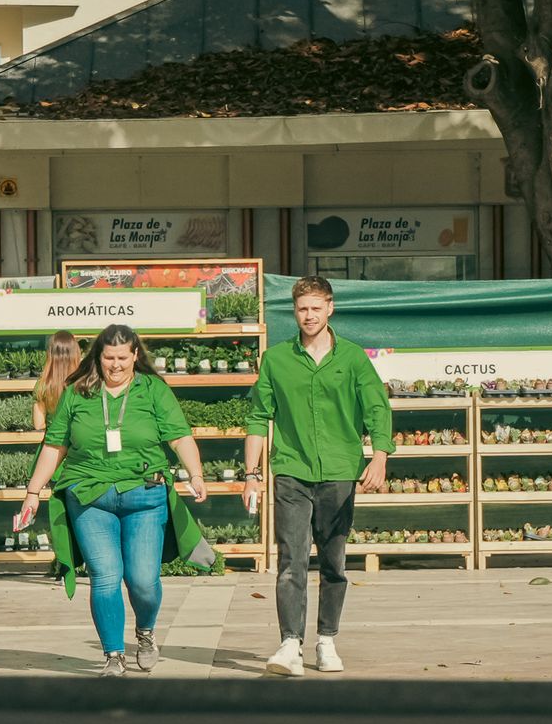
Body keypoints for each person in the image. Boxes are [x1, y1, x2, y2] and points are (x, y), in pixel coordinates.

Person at [20, 324, 214, 678]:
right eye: (108, 358)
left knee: (142, 579)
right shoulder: (77, 393)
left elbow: (180, 436)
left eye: (123, 358)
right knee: (105, 577)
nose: (116, 365)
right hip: (90, 496)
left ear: (135, 355)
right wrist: (33, 492)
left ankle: (145, 631)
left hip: (145, 495)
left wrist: (195, 474)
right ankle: (113, 655)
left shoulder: (153, 389)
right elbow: (54, 445)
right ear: (98, 357)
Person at [243, 276, 393, 677]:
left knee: (333, 560)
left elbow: (377, 409)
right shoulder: (275, 359)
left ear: (330, 307)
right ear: (294, 311)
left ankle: (326, 639)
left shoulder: (354, 358)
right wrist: (251, 474)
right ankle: (290, 643)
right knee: (291, 558)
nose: (308, 315)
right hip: (291, 469)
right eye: (301, 308)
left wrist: (379, 457)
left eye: (315, 307)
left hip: (341, 471)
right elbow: (258, 418)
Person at [32, 330, 80, 432]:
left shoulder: (43, 384)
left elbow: (38, 424)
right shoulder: (82, 383)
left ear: (50, 354)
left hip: (52, 442)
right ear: (76, 353)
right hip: (76, 443)